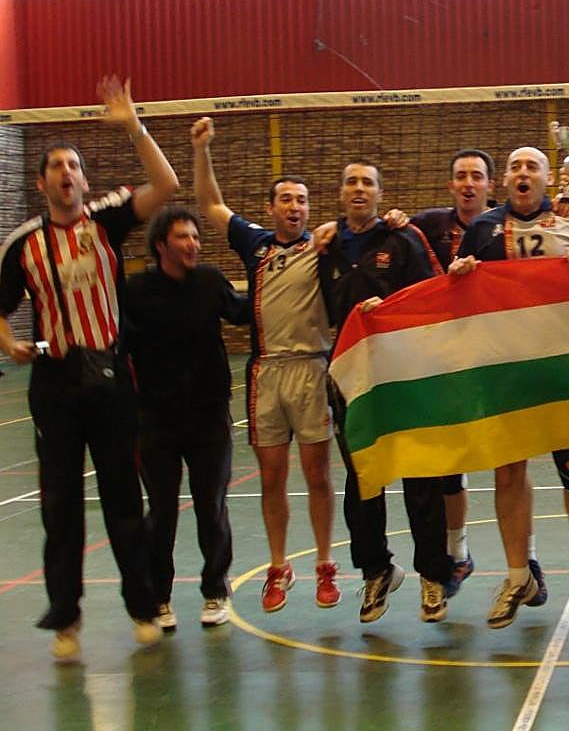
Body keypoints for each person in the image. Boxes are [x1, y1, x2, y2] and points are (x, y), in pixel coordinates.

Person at [0, 76, 177, 661]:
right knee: (59, 505)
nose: (67, 174)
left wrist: (131, 124)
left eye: (74, 165)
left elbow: (168, 185)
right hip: (54, 382)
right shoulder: (24, 243)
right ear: (42, 181)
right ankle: (66, 616)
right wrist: (9, 344)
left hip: (109, 378)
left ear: (84, 178)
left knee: (124, 496)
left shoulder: (107, 220)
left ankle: (142, 607)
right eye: (56, 166)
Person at [449, 146, 569, 629]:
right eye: (514, 166)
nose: (522, 173)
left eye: (531, 166)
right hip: (507, 372)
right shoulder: (482, 230)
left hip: (559, 370)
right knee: (508, 473)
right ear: (505, 181)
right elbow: (457, 299)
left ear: (546, 178)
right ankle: (519, 576)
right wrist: (458, 276)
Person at [192, 117, 340, 614]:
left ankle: (324, 564)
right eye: (286, 199)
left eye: (302, 200)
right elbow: (211, 204)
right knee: (272, 476)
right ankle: (279, 567)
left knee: (317, 474)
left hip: (312, 370)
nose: (295, 207)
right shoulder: (254, 244)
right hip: (266, 373)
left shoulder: (322, 245)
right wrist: (202, 150)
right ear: (271, 207)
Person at [319, 159, 456, 622]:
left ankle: (433, 577)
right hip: (351, 380)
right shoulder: (327, 246)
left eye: (368, 183)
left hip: (404, 376)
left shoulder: (403, 239)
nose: (359, 189)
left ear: (380, 194)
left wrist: (391, 309)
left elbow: (433, 296)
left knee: (421, 480)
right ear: (341, 194)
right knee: (363, 482)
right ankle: (376, 571)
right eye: (351, 182)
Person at [124, 205, 248, 630]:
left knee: (212, 506)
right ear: (161, 245)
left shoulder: (210, 282)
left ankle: (215, 590)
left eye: (196, 237)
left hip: (209, 417)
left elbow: (244, 310)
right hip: (156, 420)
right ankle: (159, 597)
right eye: (183, 237)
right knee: (161, 511)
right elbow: (117, 342)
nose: (193, 244)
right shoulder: (136, 291)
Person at [407, 148, 497, 594]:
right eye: (460, 175)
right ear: (450, 185)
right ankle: (457, 552)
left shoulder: (502, 226)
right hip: (441, 358)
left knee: (507, 461)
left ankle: (526, 563)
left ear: (488, 186)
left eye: (476, 176)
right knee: (448, 465)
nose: (468, 183)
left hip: (490, 356)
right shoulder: (429, 225)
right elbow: (391, 236)